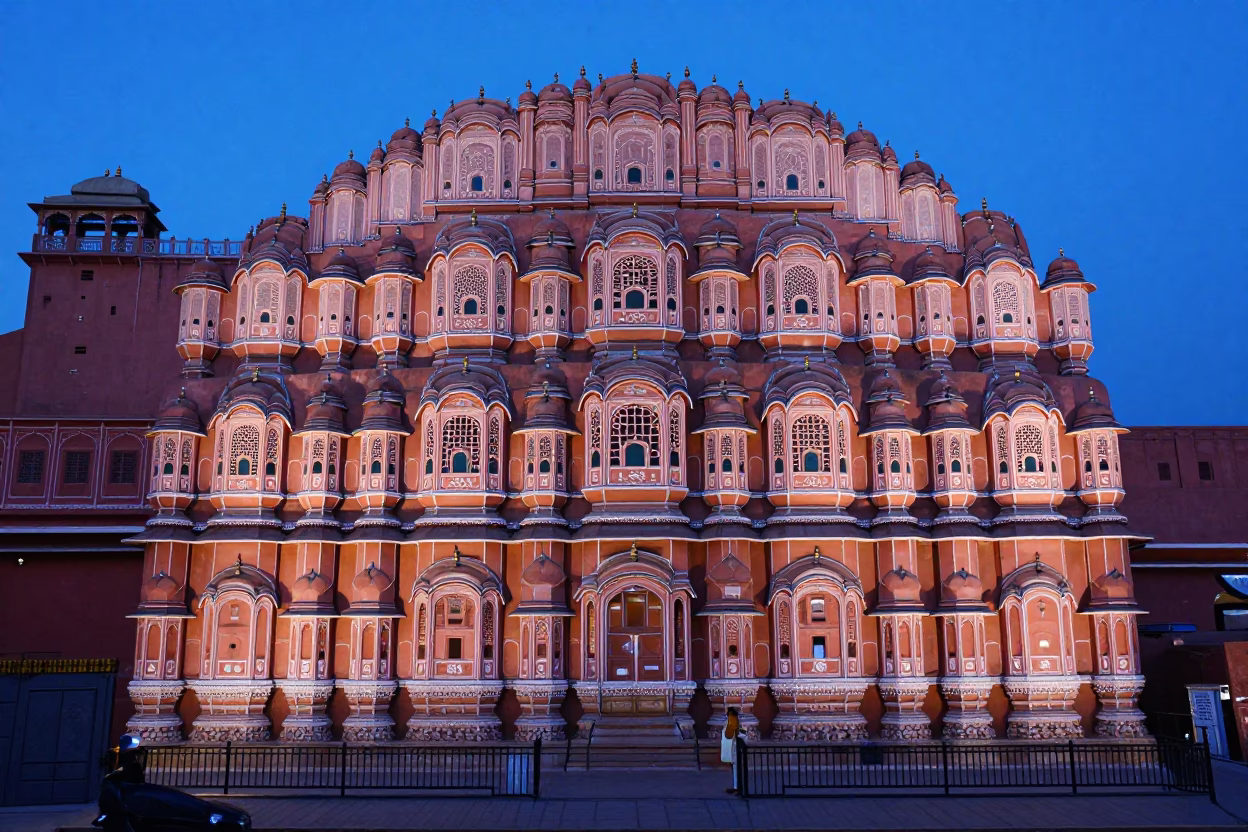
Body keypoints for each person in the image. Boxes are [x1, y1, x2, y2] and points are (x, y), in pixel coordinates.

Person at [721, 706, 741, 794]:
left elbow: (729, 734)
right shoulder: (733, 720)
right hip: (732, 747)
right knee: (735, 768)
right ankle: (736, 786)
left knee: (736, 768)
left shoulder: (732, 720)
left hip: (734, 747)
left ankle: (737, 787)